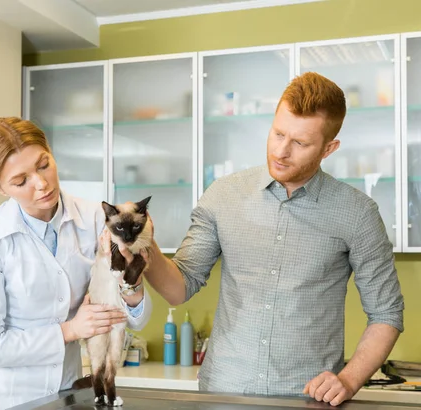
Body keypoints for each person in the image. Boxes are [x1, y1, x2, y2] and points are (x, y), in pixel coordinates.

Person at [130, 72, 405, 407]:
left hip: (305, 399)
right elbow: (179, 287)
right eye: (278, 133)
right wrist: (146, 244)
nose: (281, 151)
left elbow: (386, 313)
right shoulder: (224, 195)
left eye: (301, 144)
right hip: (222, 394)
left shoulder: (358, 214)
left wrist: (348, 380)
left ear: (329, 148)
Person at [0, 117, 152, 410]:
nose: (41, 183)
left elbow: (135, 318)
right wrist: (71, 331)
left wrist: (132, 284)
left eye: (43, 164)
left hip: (67, 395)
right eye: (21, 181)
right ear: (0, 188)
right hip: (5, 399)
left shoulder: (94, 219)